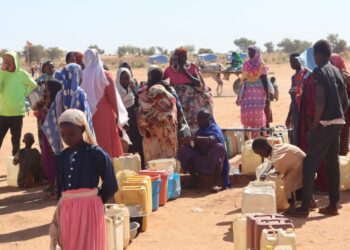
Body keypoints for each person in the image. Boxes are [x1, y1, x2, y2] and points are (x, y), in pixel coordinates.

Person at [289, 40, 349, 217]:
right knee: (333, 164)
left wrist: (315, 124)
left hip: (324, 123)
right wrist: (339, 116)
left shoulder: (318, 72)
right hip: (338, 122)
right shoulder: (337, 71)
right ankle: (333, 205)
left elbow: (320, 102)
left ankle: (305, 207)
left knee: (309, 164)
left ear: (317, 54)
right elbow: (345, 101)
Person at [49, 109, 117, 250]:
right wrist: (62, 205)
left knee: (89, 243)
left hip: (90, 208)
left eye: (72, 134)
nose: (67, 138)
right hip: (67, 209)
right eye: (63, 135)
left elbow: (111, 183)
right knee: (69, 243)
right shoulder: (62, 157)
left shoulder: (95, 153)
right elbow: (60, 186)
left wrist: (96, 201)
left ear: (82, 129)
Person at [252, 137, 317, 211]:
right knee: (295, 180)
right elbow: (272, 162)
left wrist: (271, 173)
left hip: (301, 165)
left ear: (266, 147)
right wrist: (265, 172)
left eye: (260, 153)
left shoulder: (277, 154)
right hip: (302, 164)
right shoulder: (276, 148)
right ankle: (310, 201)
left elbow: (277, 167)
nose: (261, 156)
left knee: (288, 183)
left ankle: (292, 206)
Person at [42, 63, 94, 155]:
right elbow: (86, 118)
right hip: (79, 134)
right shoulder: (79, 93)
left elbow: (54, 115)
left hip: (64, 136)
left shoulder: (60, 94)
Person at [81, 49, 125, 158]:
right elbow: (113, 99)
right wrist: (120, 117)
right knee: (108, 143)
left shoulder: (82, 75)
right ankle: (109, 169)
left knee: (94, 143)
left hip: (89, 115)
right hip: (105, 115)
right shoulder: (104, 74)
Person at [177, 110, 231, 192]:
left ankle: (216, 183)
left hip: (213, 163)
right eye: (198, 119)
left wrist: (195, 138)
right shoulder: (199, 132)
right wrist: (187, 144)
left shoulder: (215, 129)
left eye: (202, 119)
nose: (199, 121)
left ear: (209, 119)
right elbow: (195, 149)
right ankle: (195, 180)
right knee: (183, 150)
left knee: (219, 147)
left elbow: (214, 140)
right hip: (200, 161)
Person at [164, 48, 213, 130]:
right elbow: (198, 83)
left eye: (185, 57)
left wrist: (184, 72)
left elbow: (198, 83)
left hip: (179, 96)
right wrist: (185, 74)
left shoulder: (190, 67)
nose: (186, 59)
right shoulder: (172, 69)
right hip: (186, 97)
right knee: (206, 99)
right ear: (178, 58)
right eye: (184, 57)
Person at [138, 66, 178, 162]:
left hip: (151, 134)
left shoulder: (145, 95)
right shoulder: (170, 93)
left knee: (153, 164)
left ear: (149, 77)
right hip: (168, 134)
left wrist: (147, 125)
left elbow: (141, 116)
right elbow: (174, 113)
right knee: (169, 163)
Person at [0, 51, 37, 156]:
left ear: (15, 61)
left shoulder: (22, 74)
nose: (6, 63)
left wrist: (24, 93)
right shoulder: (2, 73)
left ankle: (15, 165)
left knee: (16, 141)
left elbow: (33, 84)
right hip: (3, 112)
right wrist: (2, 72)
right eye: (5, 60)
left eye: (9, 60)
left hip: (17, 113)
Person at [33, 80, 62, 195]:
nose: (46, 91)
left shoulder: (56, 103)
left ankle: (56, 185)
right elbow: (35, 106)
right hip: (44, 134)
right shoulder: (45, 101)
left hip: (53, 136)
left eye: (47, 89)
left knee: (53, 159)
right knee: (46, 158)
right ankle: (51, 183)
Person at [237, 46, 269, 137]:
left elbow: (265, 80)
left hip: (259, 94)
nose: (250, 54)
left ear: (257, 53)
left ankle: (257, 139)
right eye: (249, 52)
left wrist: (268, 96)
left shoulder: (262, 65)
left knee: (257, 115)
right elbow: (243, 80)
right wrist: (239, 95)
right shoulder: (246, 64)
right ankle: (247, 138)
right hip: (247, 93)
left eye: (252, 52)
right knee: (246, 113)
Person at [116, 67, 145, 166]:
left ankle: (141, 166)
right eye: (123, 78)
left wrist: (134, 91)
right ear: (118, 79)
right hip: (123, 121)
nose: (125, 80)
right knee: (126, 144)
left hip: (133, 118)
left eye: (127, 78)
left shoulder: (132, 89)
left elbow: (138, 103)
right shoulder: (116, 92)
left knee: (138, 142)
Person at [330, 53, 349, 155]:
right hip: (337, 112)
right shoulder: (329, 75)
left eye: (331, 62)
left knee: (343, 138)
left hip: (344, 112)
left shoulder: (345, 77)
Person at [286, 53, 306, 145]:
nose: (291, 64)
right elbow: (293, 99)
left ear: (300, 61)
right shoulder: (293, 77)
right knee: (295, 138)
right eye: (290, 62)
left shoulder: (304, 75)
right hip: (295, 113)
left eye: (294, 61)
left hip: (303, 113)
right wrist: (289, 115)